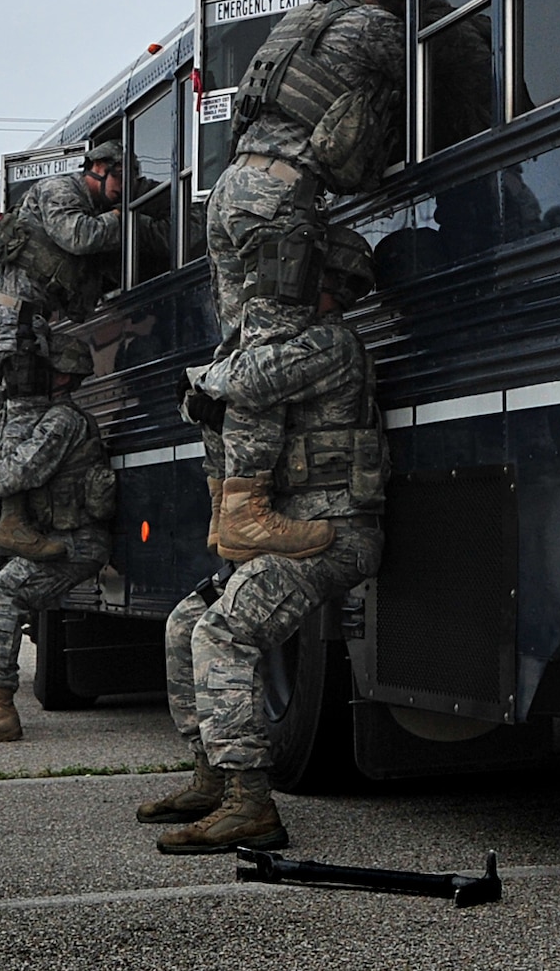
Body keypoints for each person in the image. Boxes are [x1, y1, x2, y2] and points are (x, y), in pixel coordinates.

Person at [137, 229, 385, 853]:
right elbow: (222, 391)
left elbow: (246, 380)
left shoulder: (331, 344)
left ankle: (251, 803)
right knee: (185, 622)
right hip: (290, 535)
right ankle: (213, 777)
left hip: (334, 534)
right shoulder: (297, 341)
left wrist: (204, 382)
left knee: (223, 633)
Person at [204, 0, 406, 358]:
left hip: (230, 190)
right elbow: (434, 67)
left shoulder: (298, 18)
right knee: (275, 352)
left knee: (237, 349)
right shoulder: (375, 24)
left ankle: (214, 412)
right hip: (278, 194)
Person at [0, 337, 114, 745]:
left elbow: (24, 468)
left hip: (74, 543)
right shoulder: (40, 415)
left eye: (43, 371)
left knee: (0, 597)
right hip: (49, 540)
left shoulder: (63, 420)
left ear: (64, 375)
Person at [0, 143, 123, 401]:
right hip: (11, 321)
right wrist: (120, 217)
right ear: (99, 167)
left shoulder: (86, 206)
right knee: (24, 411)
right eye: (120, 175)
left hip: (24, 322)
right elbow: (78, 236)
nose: (123, 186)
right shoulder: (59, 189)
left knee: (21, 413)